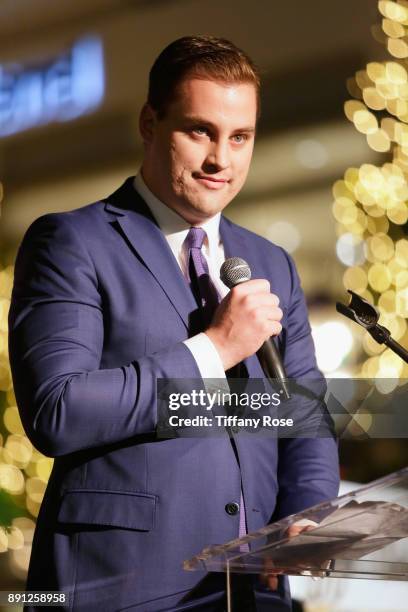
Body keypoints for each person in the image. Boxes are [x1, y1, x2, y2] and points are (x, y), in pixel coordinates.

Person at [9, 36, 339, 611]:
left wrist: (307, 516)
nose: (222, 159)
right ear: (149, 122)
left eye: (240, 137)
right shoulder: (71, 243)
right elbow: (56, 410)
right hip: (117, 591)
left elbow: (303, 415)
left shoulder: (270, 264)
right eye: (200, 131)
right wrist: (213, 349)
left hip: (252, 593)